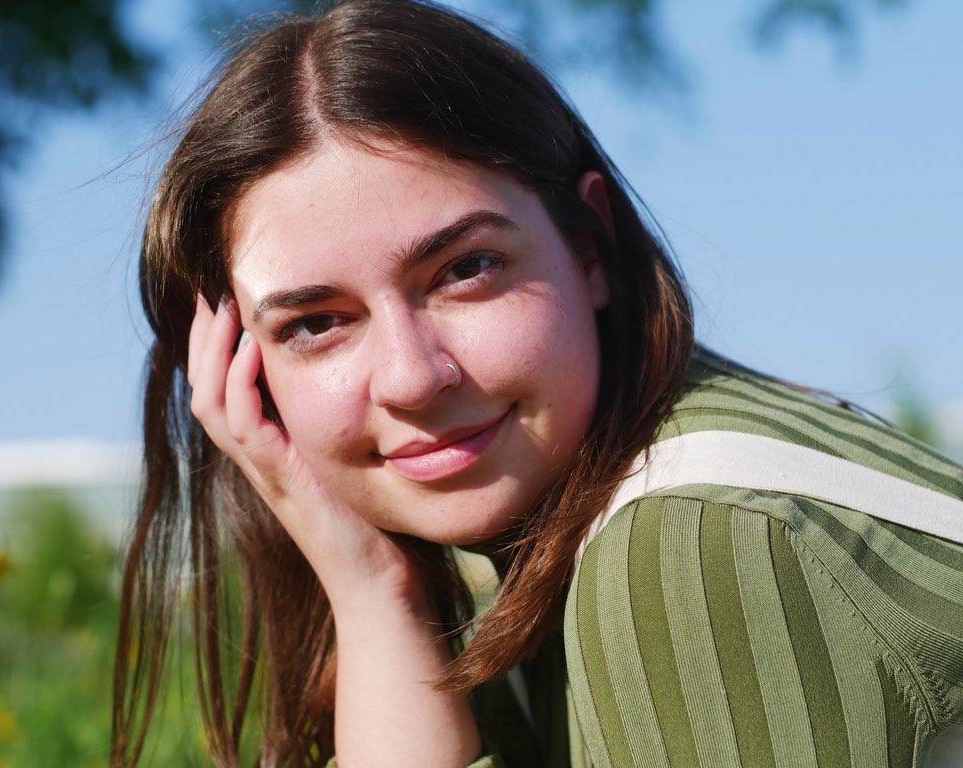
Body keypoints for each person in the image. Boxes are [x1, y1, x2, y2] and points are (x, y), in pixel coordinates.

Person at [111, 1, 963, 766]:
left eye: (467, 269)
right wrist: (374, 596)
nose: (412, 376)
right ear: (244, 381)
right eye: (316, 323)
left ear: (590, 246)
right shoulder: (537, 558)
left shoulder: (693, 541)